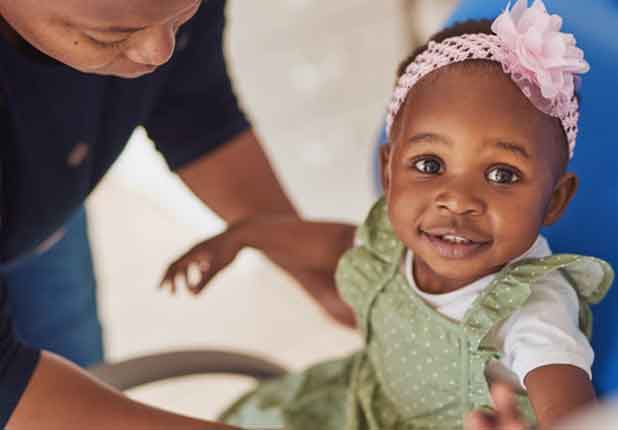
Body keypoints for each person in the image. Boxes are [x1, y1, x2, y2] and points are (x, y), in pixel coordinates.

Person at [162, 1, 614, 428]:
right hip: (360, 405)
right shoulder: (403, 237)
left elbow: (567, 400)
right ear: (389, 172)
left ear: (555, 200)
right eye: (429, 165)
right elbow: (341, 244)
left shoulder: (532, 307)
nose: (456, 200)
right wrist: (247, 233)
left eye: (501, 173)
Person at [0, 0, 353, 427]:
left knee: (75, 361)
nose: (157, 51)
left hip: (36, 214)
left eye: (181, 16)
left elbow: (193, 106)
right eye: (109, 36)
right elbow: (10, 386)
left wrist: (322, 272)